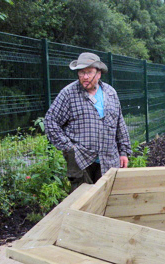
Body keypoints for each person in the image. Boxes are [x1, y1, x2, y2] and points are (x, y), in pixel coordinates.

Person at [45, 52, 131, 192]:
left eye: (89, 72)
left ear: (99, 74)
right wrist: (69, 148)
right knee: (82, 201)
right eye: (81, 72)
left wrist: (124, 152)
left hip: (108, 158)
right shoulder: (68, 94)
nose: (85, 77)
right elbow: (50, 122)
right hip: (81, 160)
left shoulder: (110, 93)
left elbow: (119, 123)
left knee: (108, 197)